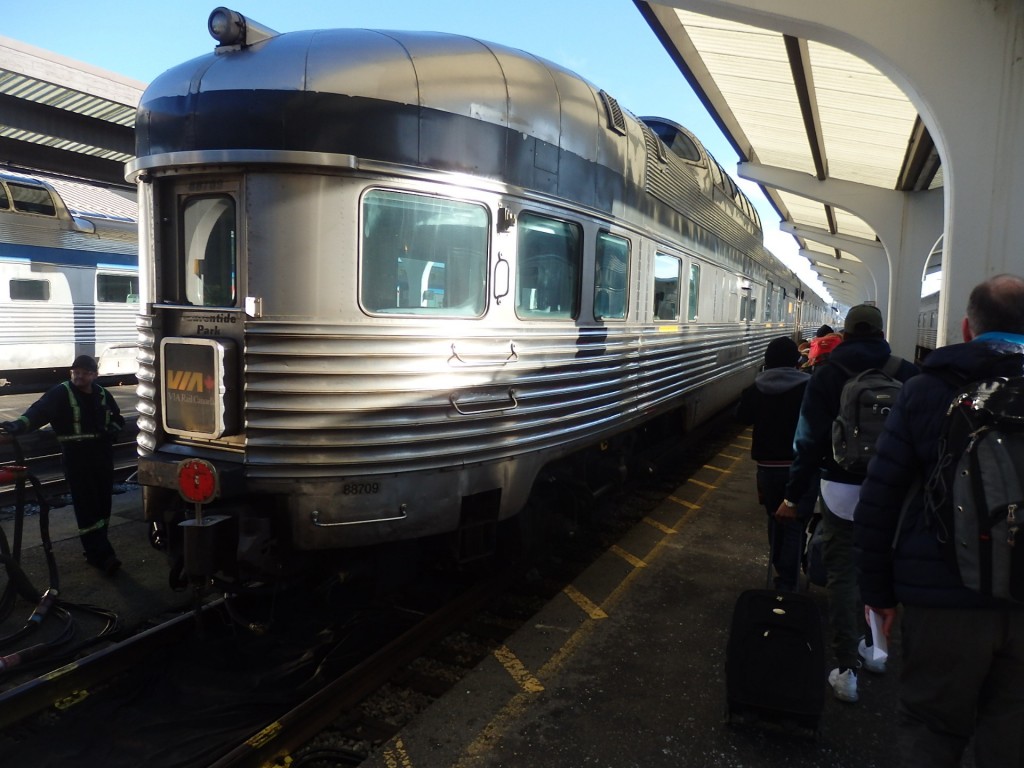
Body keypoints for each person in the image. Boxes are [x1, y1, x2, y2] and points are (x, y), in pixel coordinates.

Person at [855, 274, 1024, 766]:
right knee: (1011, 736)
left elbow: (880, 499)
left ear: (968, 330)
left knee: (931, 728)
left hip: (942, 596)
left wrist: (878, 594)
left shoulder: (927, 389)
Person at [774, 304, 918, 703]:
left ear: (848, 333)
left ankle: (845, 670)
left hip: (838, 487)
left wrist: (793, 493)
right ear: (881, 330)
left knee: (842, 574)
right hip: (889, 490)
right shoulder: (907, 373)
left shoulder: (826, 374)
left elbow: (806, 441)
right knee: (880, 568)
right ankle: (876, 652)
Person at [1, 355, 124, 575]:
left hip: (101, 455)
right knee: (87, 507)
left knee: (102, 504)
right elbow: (38, 413)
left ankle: (98, 549)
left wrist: (112, 429)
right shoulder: (61, 392)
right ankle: (102, 555)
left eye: (85, 372)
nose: (79, 375)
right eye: (75, 371)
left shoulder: (103, 394)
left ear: (94, 375)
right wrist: (16, 426)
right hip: (77, 457)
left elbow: (117, 419)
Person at [736, 336, 813, 590]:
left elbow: (742, 417)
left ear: (768, 360)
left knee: (774, 518)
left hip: (767, 468)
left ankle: (780, 569)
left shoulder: (757, 387)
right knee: (795, 523)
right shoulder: (808, 387)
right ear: (796, 360)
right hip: (798, 467)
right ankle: (788, 581)